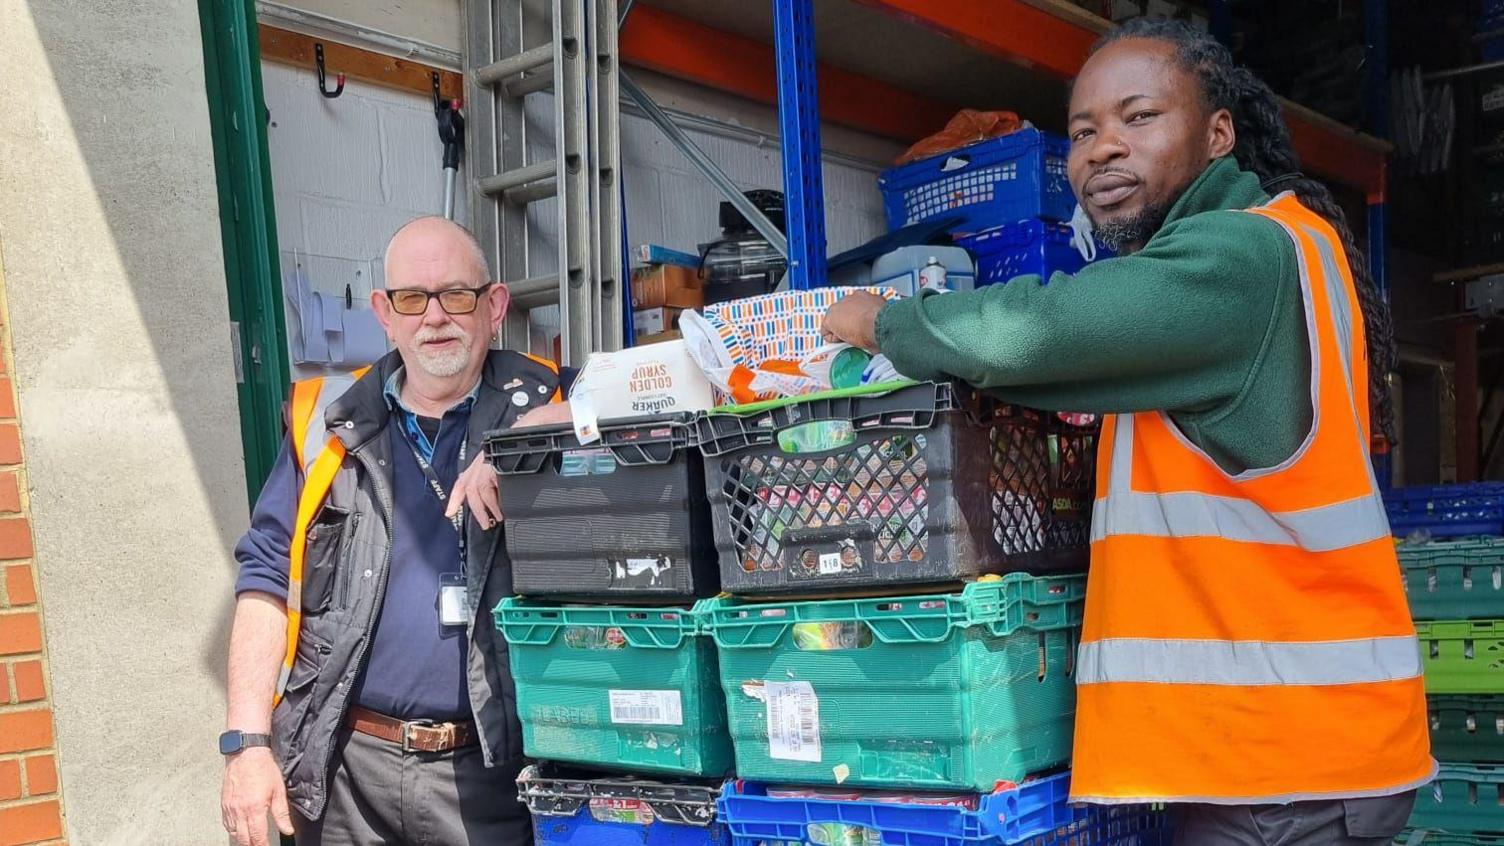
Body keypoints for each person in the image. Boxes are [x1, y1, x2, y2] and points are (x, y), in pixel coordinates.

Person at [821, 20, 1432, 845]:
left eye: (1138, 118)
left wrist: (884, 323)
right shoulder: (1288, 243)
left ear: (1219, 133)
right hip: (1296, 756)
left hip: (1279, 768)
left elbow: (1039, 331)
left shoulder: (1239, 257)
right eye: (1082, 132)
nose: (1102, 149)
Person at [220, 216, 573, 846]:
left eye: (455, 296)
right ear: (385, 312)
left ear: (493, 306)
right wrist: (246, 743)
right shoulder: (324, 424)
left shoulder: (547, 395)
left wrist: (537, 429)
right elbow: (266, 580)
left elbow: (664, 392)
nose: (433, 317)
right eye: (412, 299)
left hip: (491, 775)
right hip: (344, 773)